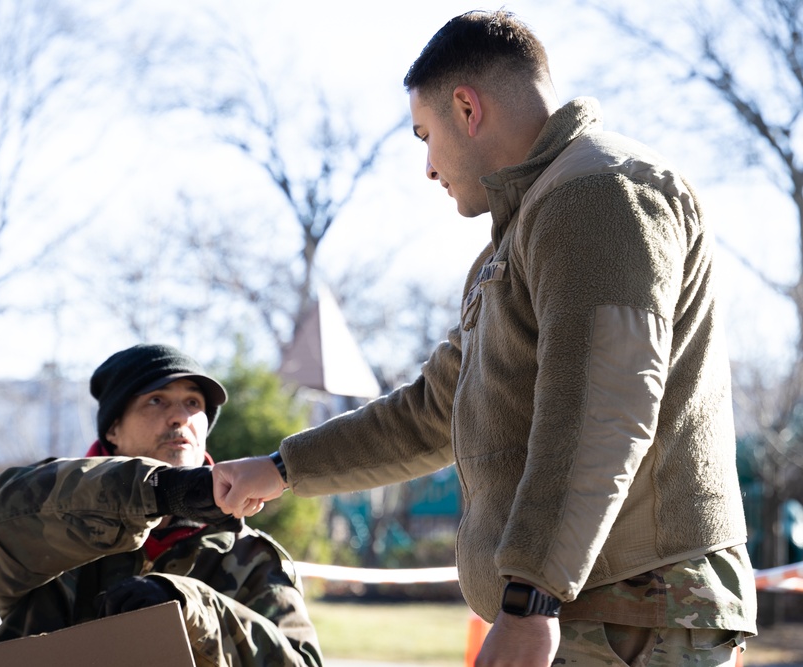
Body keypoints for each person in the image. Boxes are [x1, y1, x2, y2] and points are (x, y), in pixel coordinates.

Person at [213, 10, 757, 667]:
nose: (428, 167)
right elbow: (431, 411)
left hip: (630, 616)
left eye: (425, 135)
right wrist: (281, 468)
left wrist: (532, 598)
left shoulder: (598, 192)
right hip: (582, 611)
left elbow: (601, 409)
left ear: (467, 108)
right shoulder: (517, 237)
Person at [0, 343, 323, 667]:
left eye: (193, 403)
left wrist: (188, 606)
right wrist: (162, 490)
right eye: (156, 400)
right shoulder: (52, 508)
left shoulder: (248, 554)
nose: (180, 416)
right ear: (113, 429)